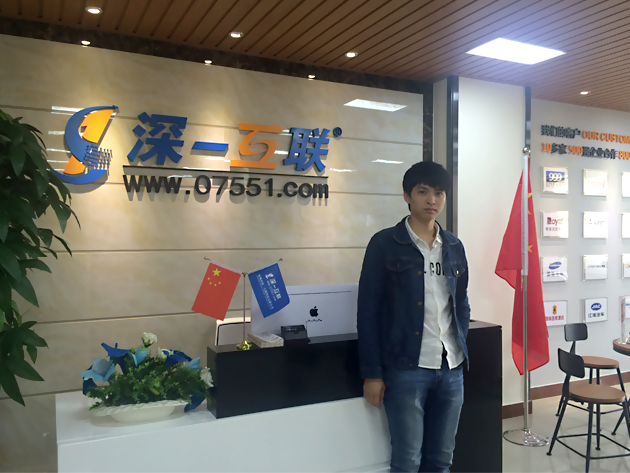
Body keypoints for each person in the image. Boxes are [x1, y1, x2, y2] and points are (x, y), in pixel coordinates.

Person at [357, 161, 471, 473]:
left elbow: (461, 302)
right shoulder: (385, 244)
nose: (432, 200)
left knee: (442, 460)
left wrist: (461, 344)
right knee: (407, 461)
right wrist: (372, 374)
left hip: (451, 367)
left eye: (439, 193)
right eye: (423, 192)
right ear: (407, 196)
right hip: (406, 368)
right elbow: (368, 311)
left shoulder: (454, 246)